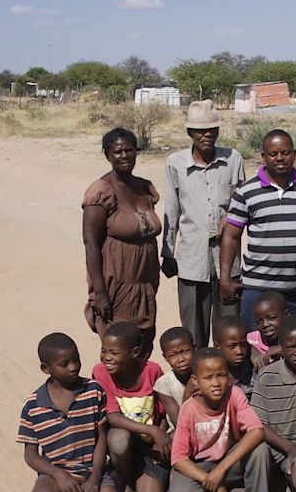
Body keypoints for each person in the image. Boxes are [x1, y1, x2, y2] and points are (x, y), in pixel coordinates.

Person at [17, 332, 129, 492]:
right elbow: (30, 455)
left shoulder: (93, 391)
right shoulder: (33, 405)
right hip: (56, 473)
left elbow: (101, 438)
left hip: (92, 471)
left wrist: (94, 480)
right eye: (64, 363)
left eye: (76, 359)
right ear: (46, 369)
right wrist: (59, 475)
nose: (73, 366)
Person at [167, 347, 276, 492]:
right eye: (208, 378)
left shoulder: (235, 394)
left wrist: (221, 471)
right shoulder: (189, 409)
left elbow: (256, 431)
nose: (216, 383)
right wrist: (215, 483)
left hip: (228, 463)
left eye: (221, 376)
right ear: (195, 381)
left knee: (260, 449)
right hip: (202, 467)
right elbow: (179, 458)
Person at [162, 100, 246, 348]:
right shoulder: (175, 163)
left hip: (227, 260)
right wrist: (167, 252)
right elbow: (171, 209)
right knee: (193, 330)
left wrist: (229, 218)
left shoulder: (233, 159)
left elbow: (243, 203)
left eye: (212, 129)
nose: (206, 135)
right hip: (191, 259)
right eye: (200, 130)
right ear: (189, 132)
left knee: (229, 331)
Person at [219, 129, 296, 330]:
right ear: (263, 157)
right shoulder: (246, 192)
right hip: (257, 288)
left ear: (294, 154)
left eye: (285, 152)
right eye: (273, 154)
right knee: (255, 350)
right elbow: (231, 236)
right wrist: (225, 278)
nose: (279, 158)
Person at [83, 128, 162, 355]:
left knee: (144, 343)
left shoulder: (144, 187)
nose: (124, 156)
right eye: (117, 152)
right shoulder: (101, 191)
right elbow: (90, 243)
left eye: (129, 150)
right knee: (120, 349)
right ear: (107, 155)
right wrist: (100, 292)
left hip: (145, 284)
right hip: (116, 285)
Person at [90, 321, 175, 492]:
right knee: (120, 439)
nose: (107, 358)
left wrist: (158, 438)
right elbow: (112, 416)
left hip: (148, 443)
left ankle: (143, 470)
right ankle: (126, 480)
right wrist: (153, 430)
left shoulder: (151, 371)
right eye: (104, 351)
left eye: (114, 353)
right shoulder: (101, 372)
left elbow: (161, 412)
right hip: (122, 442)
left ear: (134, 352)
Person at [249, 317, 296, 492]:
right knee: (256, 451)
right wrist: (289, 448)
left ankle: (293, 483)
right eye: (291, 346)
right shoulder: (267, 376)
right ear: (280, 347)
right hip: (276, 444)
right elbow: (258, 424)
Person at [154, 327, 196, 425]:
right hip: (182, 430)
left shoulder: (205, 375)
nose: (181, 359)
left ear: (194, 349)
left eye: (185, 352)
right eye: (173, 355)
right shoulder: (164, 384)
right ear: (165, 358)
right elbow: (179, 423)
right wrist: (187, 394)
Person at [215, 315, 256, 398]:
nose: (239, 351)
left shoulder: (254, 369)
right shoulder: (210, 375)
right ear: (217, 347)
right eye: (232, 346)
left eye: (243, 344)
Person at [247, 290, 289, 364]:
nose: (265, 324)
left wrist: (283, 349)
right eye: (259, 321)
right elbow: (241, 345)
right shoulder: (253, 339)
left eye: (271, 318)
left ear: (286, 315)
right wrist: (252, 351)